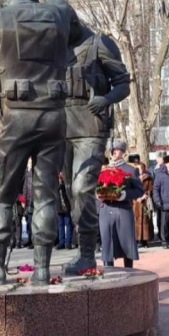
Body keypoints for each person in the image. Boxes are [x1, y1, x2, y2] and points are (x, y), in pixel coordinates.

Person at [0, 0, 73, 285]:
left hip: (17, 119)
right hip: (53, 117)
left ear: (2, 0)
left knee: (3, 193)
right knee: (46, 194)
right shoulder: (58, 17)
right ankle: (43, 269)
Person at [61, 14, 131, 274]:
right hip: (62, 127)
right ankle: (84, 252)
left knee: (82, 188)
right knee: (70, 192)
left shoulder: (100, 43)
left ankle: (88, 253)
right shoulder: (59, 47)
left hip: (91, 125)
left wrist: (106, 98)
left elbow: (123, 84)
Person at [98, 141, 143, 267]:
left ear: (123, 152)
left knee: (126, 242)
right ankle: (109, 271)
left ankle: (129, 271)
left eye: (117, 149)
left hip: (123, 209)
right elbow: (95, 188)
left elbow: (139, 190)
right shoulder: (103, 169)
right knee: (107, 243)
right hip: (106, 209)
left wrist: (124, 195)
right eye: (112, 149)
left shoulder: (130, 170)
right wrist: (98, 195)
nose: (114, 152)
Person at [133, 161, 154, 248]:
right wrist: (137, 198)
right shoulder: (133, 178)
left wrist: (146, 195)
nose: (139, 170)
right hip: (135, 203)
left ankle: (145, 240)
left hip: (145, 202)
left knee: (146, 221)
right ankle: (137, 239)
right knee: (136, 220)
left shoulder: (148, 178)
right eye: (137, 169)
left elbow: (151, 189)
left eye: (140, 168)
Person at [56, 173, 72, 250]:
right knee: (60, 225)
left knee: (68, 224)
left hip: (66, 205)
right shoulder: (55, 182)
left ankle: (68, 242)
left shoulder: (66, 181)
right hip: (59, 205)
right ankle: (61, 242)